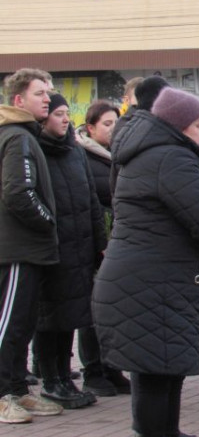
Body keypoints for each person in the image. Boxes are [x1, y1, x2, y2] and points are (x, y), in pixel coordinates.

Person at [93, 87, 199, 437]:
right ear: (180, 123)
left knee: (161, 368)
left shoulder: (150, 152)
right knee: (157, 373)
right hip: (153, 284)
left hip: (150, 281)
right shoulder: (171, 158)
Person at [33, 93, 105, 410]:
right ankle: (51, 379)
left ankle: (64, 376)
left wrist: (99, 243)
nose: (64, 119)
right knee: (50, 319)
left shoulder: (75, 152)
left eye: (66, 113)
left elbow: (91, 201)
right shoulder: (35, 151)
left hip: (80, 247)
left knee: (71, 316)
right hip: (53, 248)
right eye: (58, 113)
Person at [0, 68, 63, 424]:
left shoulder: (25, 135)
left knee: (22, 324)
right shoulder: (17, 137)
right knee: (9, 324)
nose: (49, 98)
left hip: (27, 249)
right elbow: (18, 193)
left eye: (49, 92)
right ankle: (3, 394)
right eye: (41, 93)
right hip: (17, 250)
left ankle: (17, 389)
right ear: (19, 100)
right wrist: (47, 221)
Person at [75, 100, 131, 397]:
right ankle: (93, 370)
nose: (113, 129)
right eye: (106, 124)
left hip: (121, 240)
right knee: (94, 310)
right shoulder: (84, 156)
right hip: (98, 242)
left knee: (116, 309)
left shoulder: (120, 156)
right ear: (90, 128)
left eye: (115, 123)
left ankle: (113, 367)